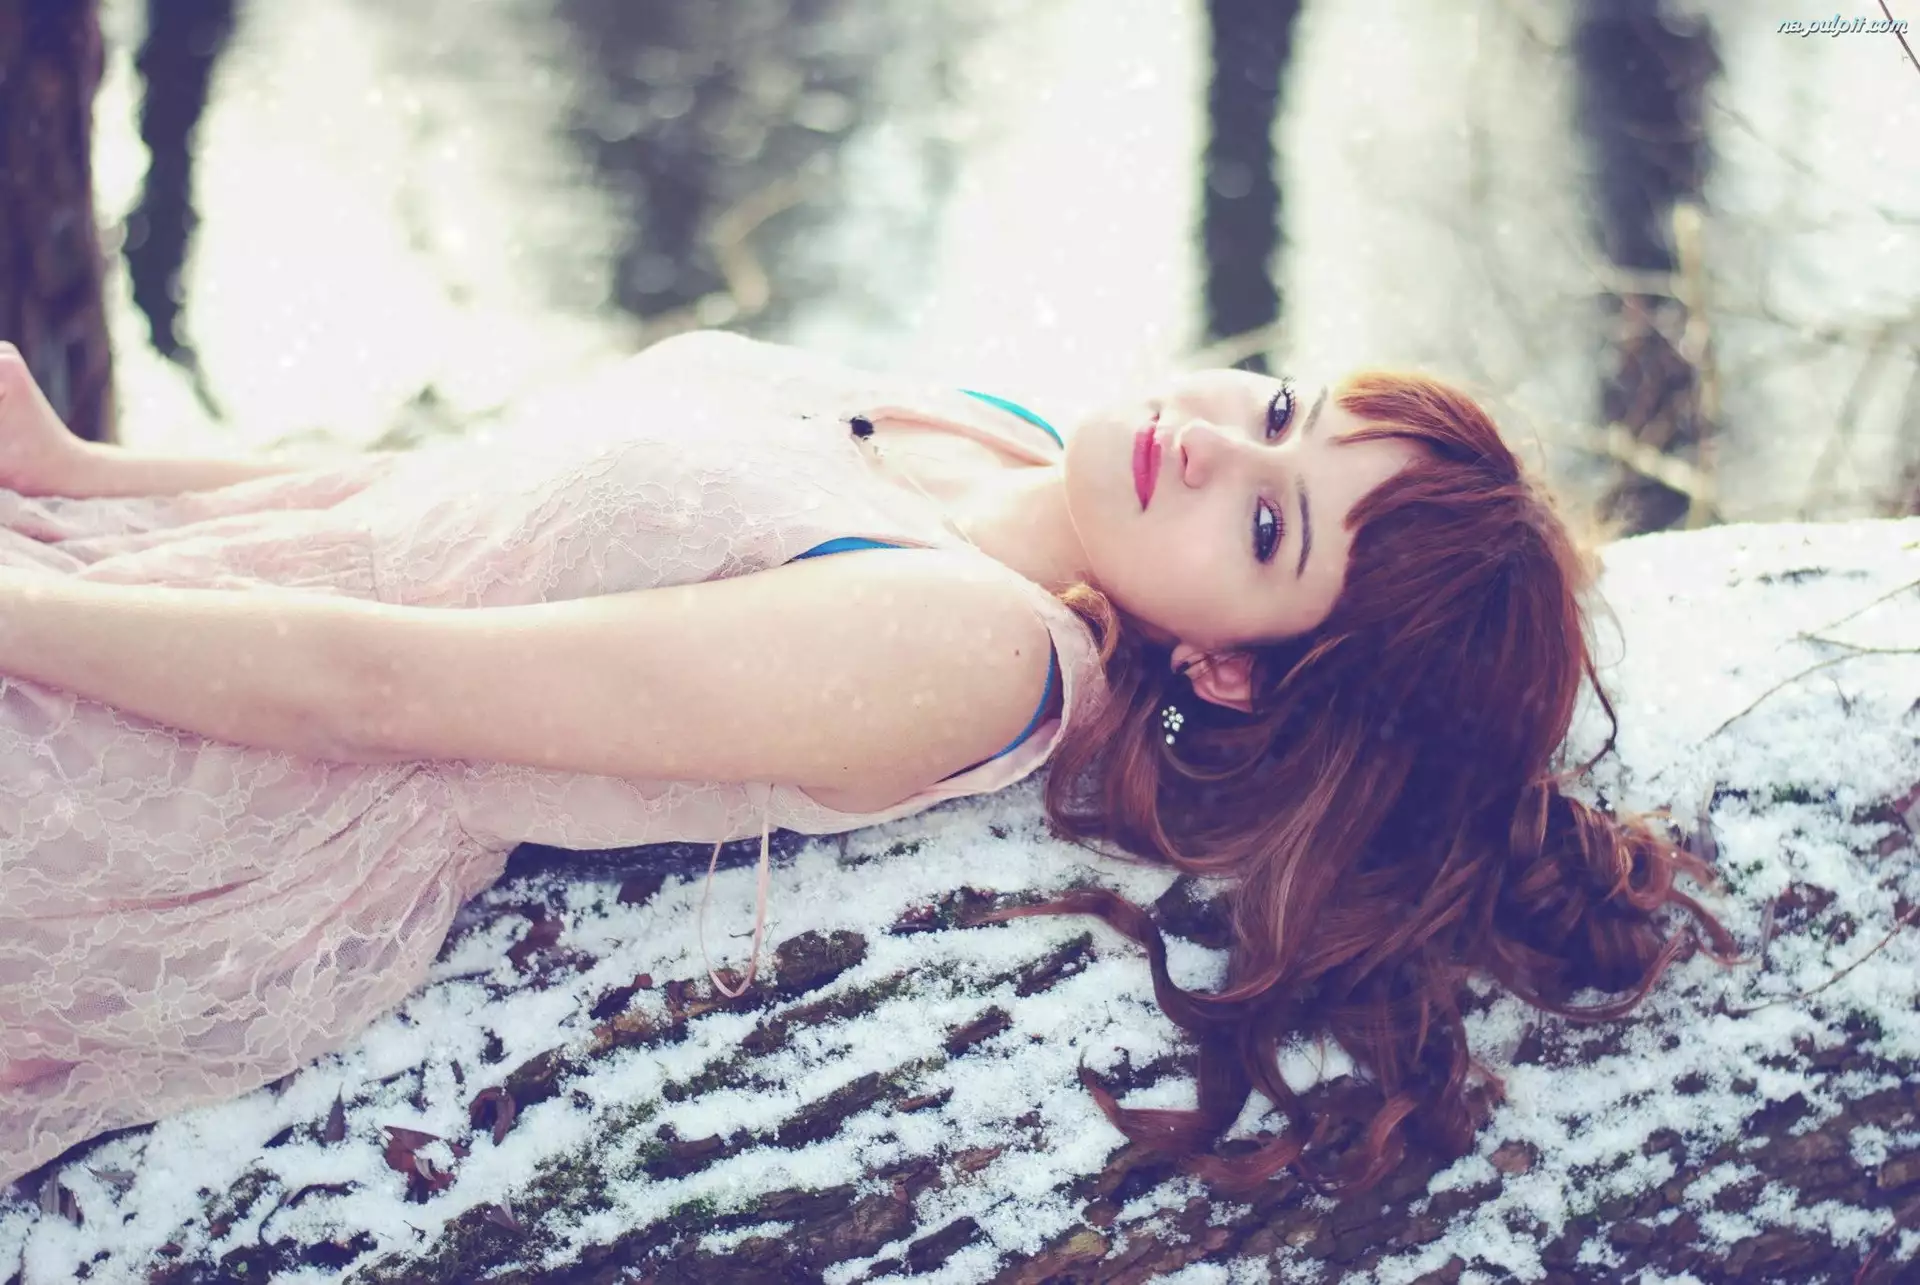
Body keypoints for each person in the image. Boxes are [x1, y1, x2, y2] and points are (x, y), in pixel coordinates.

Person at [0, 331, 1732, 1192]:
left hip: (171, 783)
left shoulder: (960, 650)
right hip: (161, 609)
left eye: (1267, 524)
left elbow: (370, 689)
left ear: (1228, 667)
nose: (1214, 444)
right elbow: (452, 506)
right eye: (1283, 414)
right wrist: (87, 484)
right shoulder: (1013, 442)